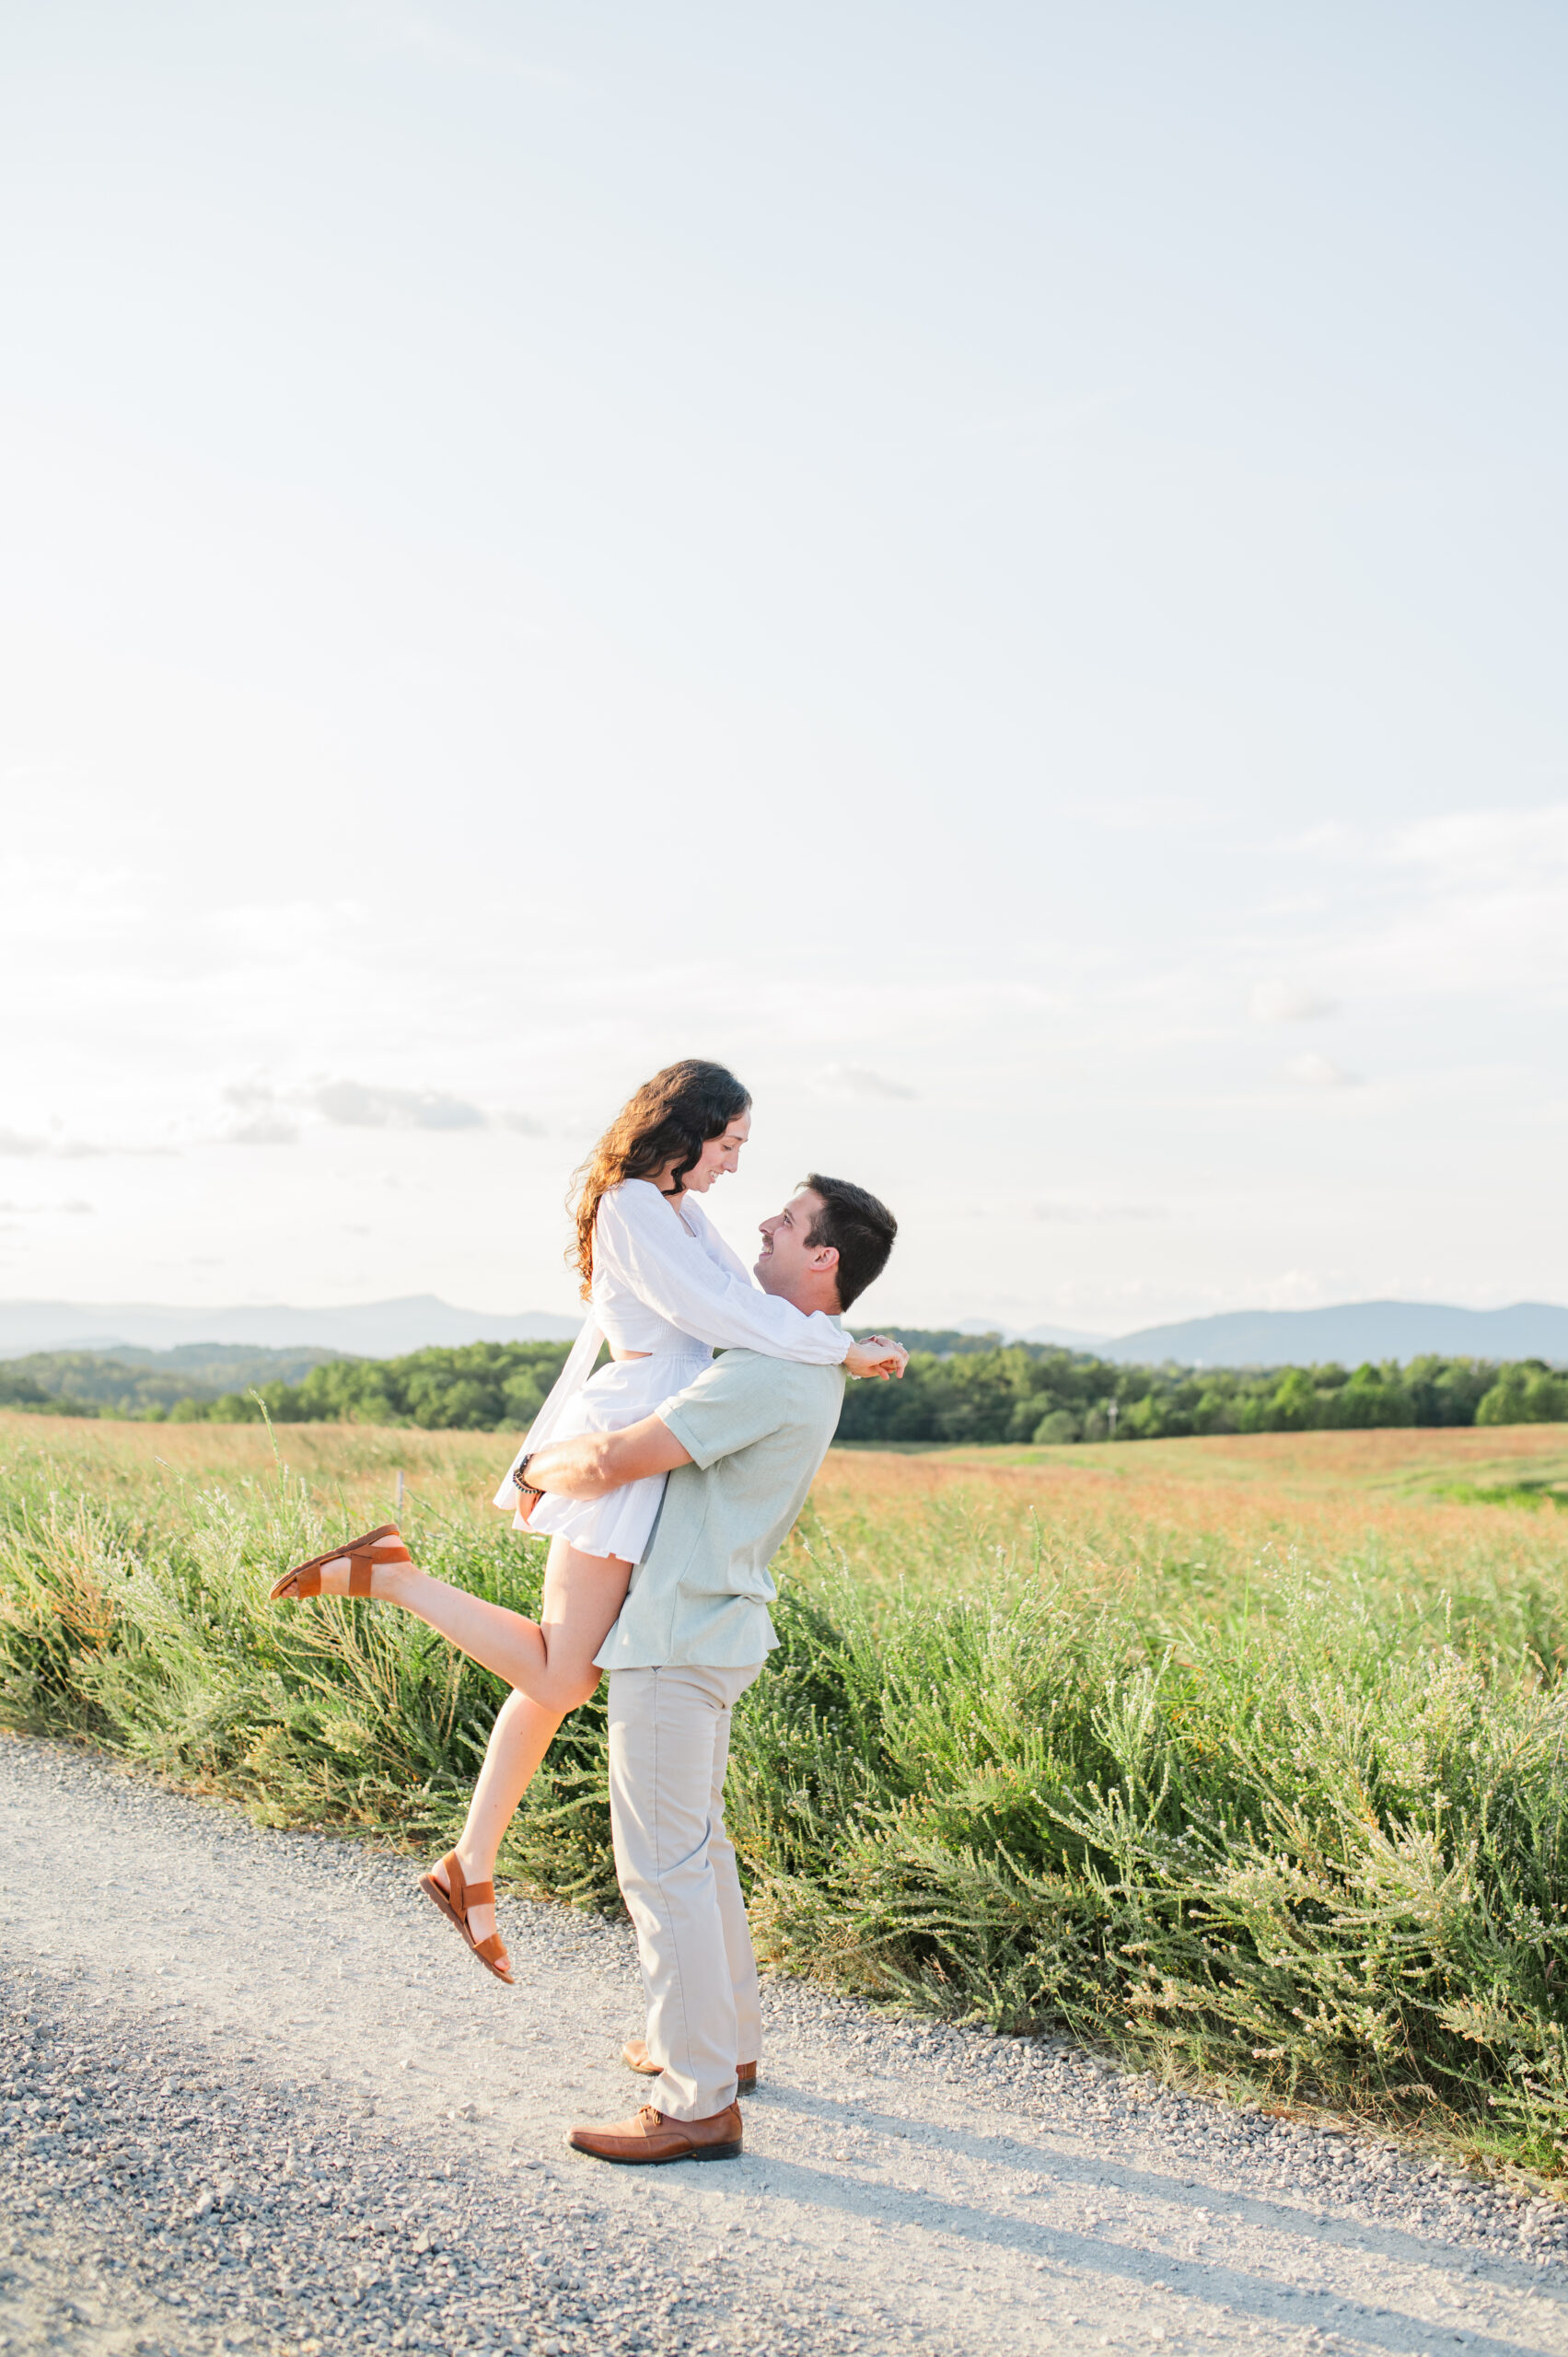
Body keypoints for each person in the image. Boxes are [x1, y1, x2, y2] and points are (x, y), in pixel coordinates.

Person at [272, 1173, 901, 2162]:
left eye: (786, 1223)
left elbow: (615, 1460)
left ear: (823, 1258)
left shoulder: (762, 1373)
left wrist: (533, 1472)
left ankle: (695, 2104)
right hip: (715, 1627)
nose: (765, 1229)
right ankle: (722, 2050)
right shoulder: (803, 1364)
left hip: (674, 1638)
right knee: (698, 1848)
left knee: (664, 1869)